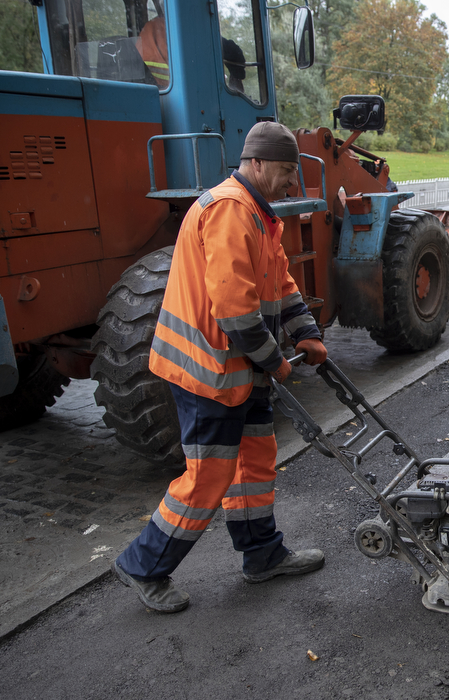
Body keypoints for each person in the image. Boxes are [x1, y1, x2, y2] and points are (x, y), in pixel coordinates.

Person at [112, 122, 328, 613]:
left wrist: (307, 332)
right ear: (255, 164)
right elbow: (234, 309)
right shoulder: (230, 210)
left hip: (238, 368)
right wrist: (277, 362)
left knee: (254, 461)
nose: (292, 181)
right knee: (209, 475)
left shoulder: (258, 213)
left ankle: (262, 555)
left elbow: (281, 282)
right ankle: (142, 565)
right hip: (207, 370)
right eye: (285, 170)